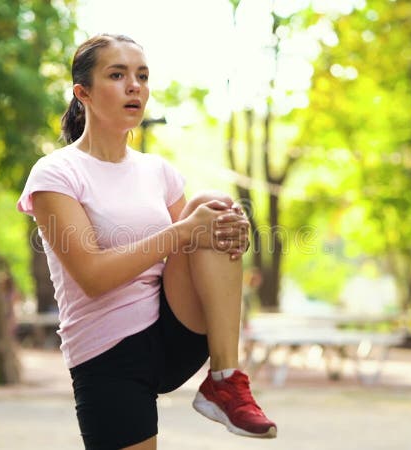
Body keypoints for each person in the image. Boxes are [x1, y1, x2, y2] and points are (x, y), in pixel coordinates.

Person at [17, 34, 276, 449]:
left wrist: (226, 232)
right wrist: (187, 230)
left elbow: (193, 252)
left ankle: (226, 381)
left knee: (214, 204)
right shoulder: (57, 174)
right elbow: (93, 276)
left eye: (141, 76)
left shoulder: (160, 172)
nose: (134, 86)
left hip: (173, 329)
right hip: (108, 352)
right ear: (82, 92)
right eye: (117, 75)